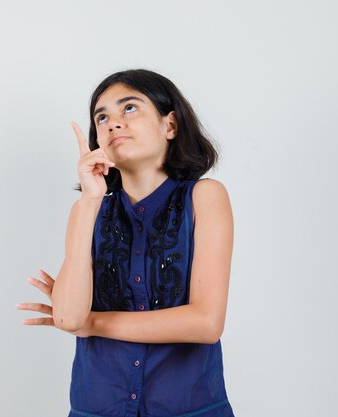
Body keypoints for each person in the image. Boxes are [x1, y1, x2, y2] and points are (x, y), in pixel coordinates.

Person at [16, 69, 235, 417]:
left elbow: (206, 323)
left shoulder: (205, 197)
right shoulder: (86, 210)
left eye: (129, 108)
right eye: (102, 117)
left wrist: (96, 323)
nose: (113, 123)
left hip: (188, 409)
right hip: (96, 407)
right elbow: (71, 318)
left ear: (171, 125)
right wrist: (89, 201)